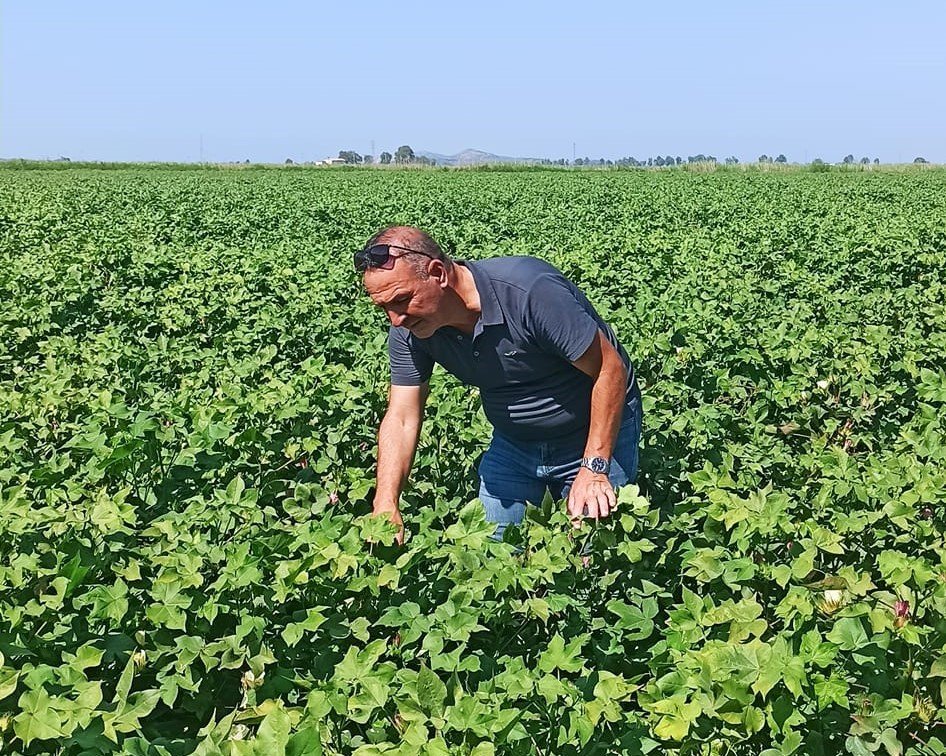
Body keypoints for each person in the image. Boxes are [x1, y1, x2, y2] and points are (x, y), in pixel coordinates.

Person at [356, 226, 642, 544]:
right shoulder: (410, 328)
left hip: (592, 433)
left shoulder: (529, 292)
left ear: (437, 273)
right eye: (384, 308)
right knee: (492, 555)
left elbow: (609, 370)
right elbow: (402, 415)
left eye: (402, 300)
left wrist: (594, 467)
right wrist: (385, 502)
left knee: (591, 559)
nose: (395, 319)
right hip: (514, 444)